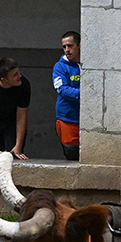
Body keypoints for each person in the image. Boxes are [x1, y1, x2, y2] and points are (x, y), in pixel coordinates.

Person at [53, 29, 82, 160]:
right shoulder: (60, 67)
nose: (67, 50)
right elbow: (62, 90)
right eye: (64, 47)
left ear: (79, 45)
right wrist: (85, 94)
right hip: (68, 119)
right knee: (72, 155)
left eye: (70, 46)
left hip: (90, 118)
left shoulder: (90, 64)